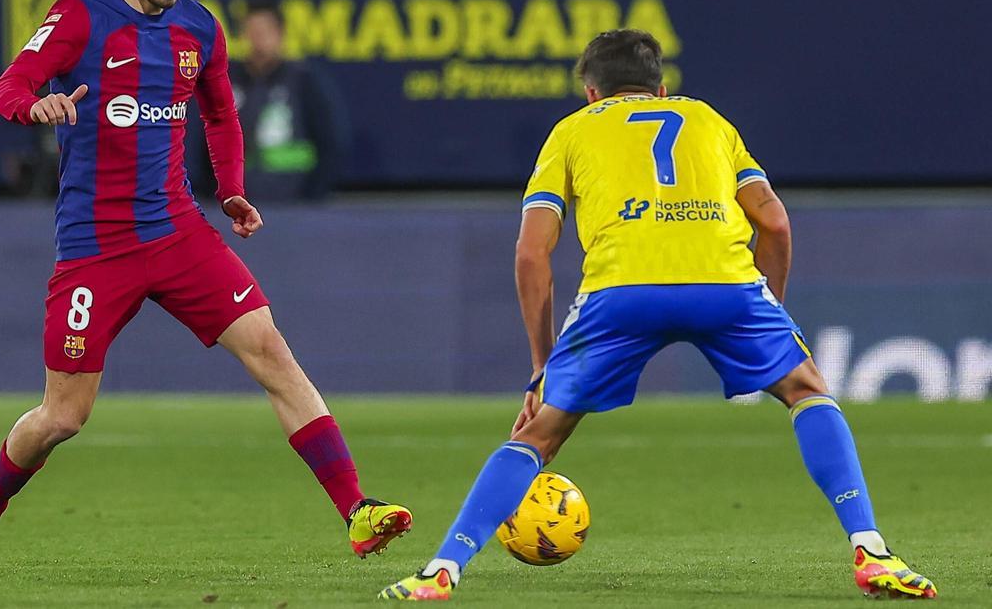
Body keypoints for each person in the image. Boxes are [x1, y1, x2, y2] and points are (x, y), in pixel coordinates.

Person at [0, 0, 411, 575]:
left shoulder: (200, 28)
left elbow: (219, 114)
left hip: (178, 231)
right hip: (96, 248)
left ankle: (358, 511)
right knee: (62, 417)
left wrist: (234, 191)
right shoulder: (77, 17)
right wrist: (32, 108)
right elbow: (7, 85)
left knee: (273, 353)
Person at [378, 30, 936, 601]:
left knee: (540, 435)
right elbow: (774, 222)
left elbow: (530, 252)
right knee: (807, 390)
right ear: (661, 88)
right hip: (724, 283)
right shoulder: (708, 120)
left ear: (591, 92)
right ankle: (872, 549)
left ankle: (443, 569)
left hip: (621, 291)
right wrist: (769, 310)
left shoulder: (571, 131)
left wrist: (541, 366)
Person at [192, 0, 345, 203]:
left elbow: (331, 143)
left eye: (265, 31)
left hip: (294, 203)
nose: (259, 39)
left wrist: (312, 198)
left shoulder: (304, 81)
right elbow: (205, 141)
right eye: (253, 31)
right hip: (238, 205)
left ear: (280, 33)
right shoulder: (227, 80)